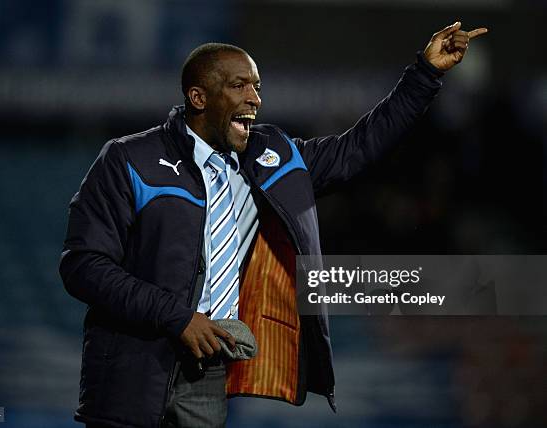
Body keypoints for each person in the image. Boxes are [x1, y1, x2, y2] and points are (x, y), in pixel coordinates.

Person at [59, 21, 487, 428]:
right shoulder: (128, 159)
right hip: (131, 371)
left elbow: (360, 148)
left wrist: (425, 73)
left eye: (257, 87)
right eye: (239, 85)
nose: (255, 99)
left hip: (207, 375)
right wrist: (178, 318)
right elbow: (82, 266)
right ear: (199, 96)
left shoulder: (273, 156)